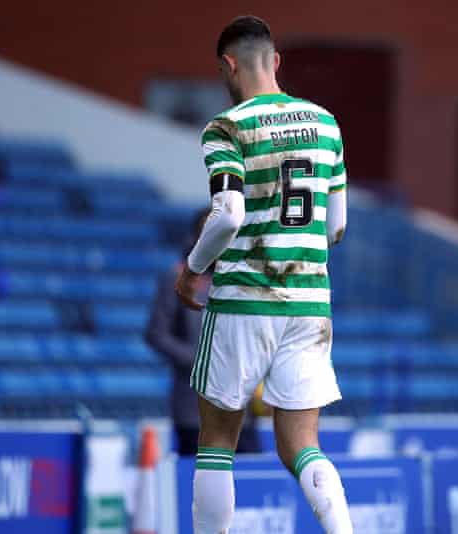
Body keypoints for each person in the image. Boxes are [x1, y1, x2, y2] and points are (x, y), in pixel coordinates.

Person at [174, 16, 352, 534]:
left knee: (217, 442)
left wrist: (192, 270)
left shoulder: (226, 127)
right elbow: (336, 226)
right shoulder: (326, 124)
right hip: (309, 303)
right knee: (301, 445)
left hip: (243, 301)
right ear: (275, 61)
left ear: (228, 65)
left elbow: (228, 213)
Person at [145, 211, 261, 456]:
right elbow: (156, 335)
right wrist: (201, 360)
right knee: (202, 476)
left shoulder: (242, 278)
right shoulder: (177, 277)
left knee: (247, 474)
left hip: (240, 408)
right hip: (194, 409)